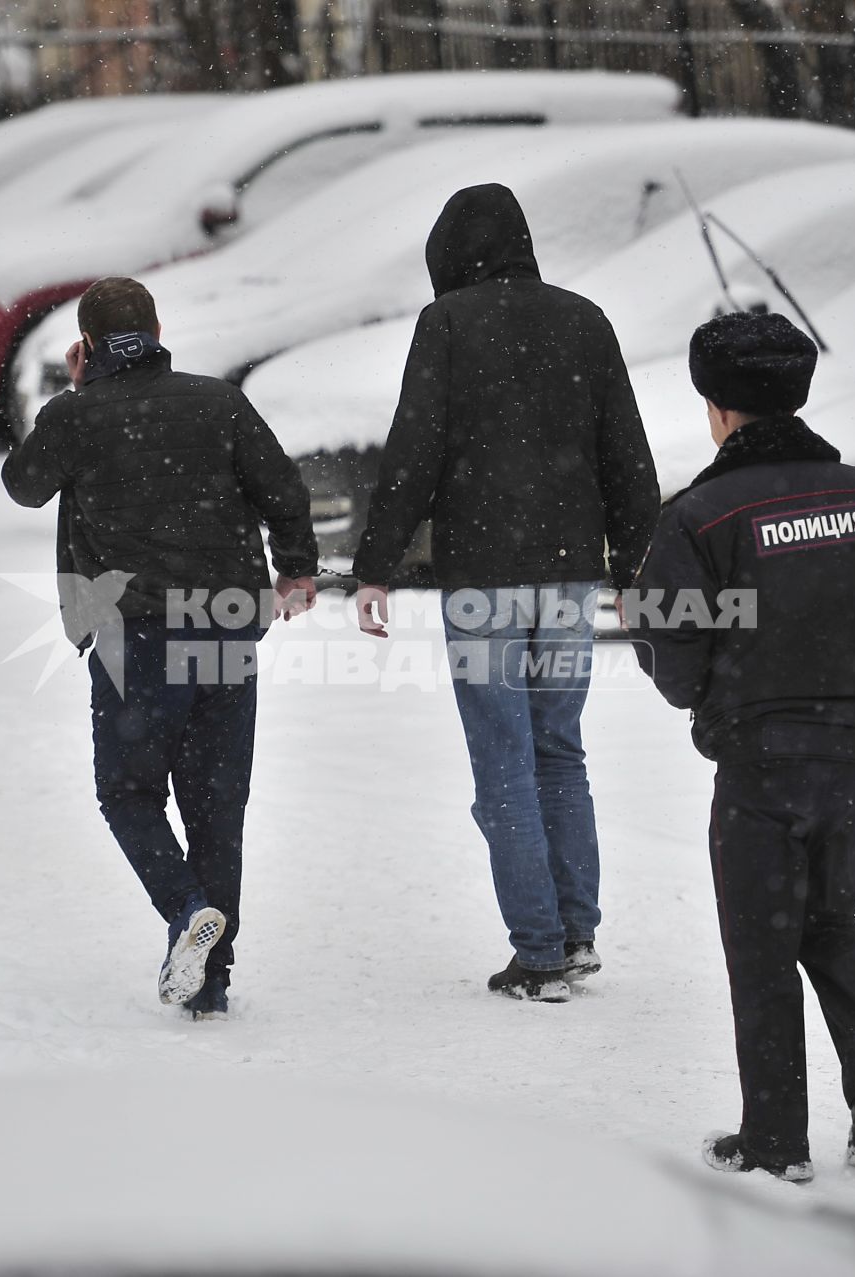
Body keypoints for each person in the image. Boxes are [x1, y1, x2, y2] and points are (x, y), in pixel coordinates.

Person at [631, 312, 855, 1183]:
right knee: (828, 919)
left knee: (761, 940)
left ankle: (774, 1140)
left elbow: (667, 643)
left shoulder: (699, 516)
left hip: (761, 754)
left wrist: (721, 696)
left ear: (717, 408)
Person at [352, 184, 659, 1003]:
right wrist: (633, 568)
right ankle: (577, 929)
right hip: (567, 574)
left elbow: (414, 448)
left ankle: (539, 952)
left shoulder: (447, 324)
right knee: (560, 747)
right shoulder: (584, 319)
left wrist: (375, 563)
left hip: (483, 578)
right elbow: (626, 451)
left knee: (504, 758)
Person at [2, 277, 319, 1020]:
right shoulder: (219, 402)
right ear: (156, 328)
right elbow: (283, 490)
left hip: (132, 637)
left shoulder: (74, 416)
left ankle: (186, 912)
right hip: (226, 625)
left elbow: (23, 485)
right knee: (216, 804)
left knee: (128, 792)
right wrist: (297, 567)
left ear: (84, 346)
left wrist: (78, 396)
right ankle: (212, 977)